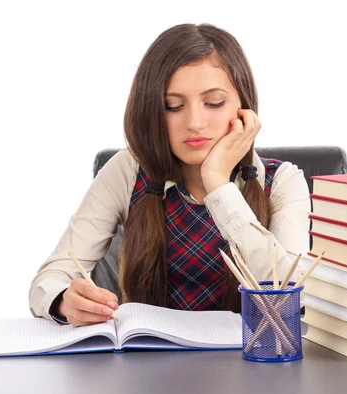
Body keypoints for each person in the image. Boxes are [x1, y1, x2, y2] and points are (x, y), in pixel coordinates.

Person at [29, 23, 311, 327]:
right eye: (173, 106)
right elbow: (49, 280)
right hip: (147, 366)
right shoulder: (128, 170)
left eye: (214, 103)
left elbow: (293, 297)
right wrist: (63, 301)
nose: (195, 122)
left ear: (243, 106)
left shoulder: (282, 181)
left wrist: (217, 183)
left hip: (253, 366)